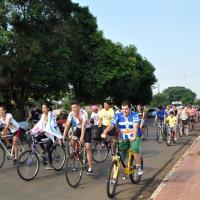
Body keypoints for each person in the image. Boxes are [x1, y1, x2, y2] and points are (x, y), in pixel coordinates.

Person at [101, 100, 143, 175]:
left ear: (130, 109)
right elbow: (111, 125)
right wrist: (104, 133)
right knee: (121, 154)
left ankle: (139, 166)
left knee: (135, 149)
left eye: (126, 109)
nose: (124, 111)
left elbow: (136, 126)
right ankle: (116, 173)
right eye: (123, 109)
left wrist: (134, 136)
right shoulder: (118, 115)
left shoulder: (134, 115)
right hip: (123, 137)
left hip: (135, 135)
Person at [63, 100, 93, 175]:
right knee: (72, 140)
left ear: (79, 107)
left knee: (87, 147)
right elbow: (67, 125)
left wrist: (82, 138)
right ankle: (78, 153)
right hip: (78, 128)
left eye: (75, 107)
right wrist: (63, 136)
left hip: (87, 129)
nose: (73, 109)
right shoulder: (71, 113)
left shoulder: (84, 113)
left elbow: (83, 126)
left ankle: (90, 167)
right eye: (72, 108)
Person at [32, 102, 62, 170]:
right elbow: (39, 124)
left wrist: (44, 130)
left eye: (44, 107)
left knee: (48, 147)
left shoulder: (52, 115)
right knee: (37, 138)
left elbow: (51, 125)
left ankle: (50, 164)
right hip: (46, 132)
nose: (43, 109)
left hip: (53, 133)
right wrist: (32, 131)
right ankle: (44, 151)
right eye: (42, 108)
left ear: (48, 108)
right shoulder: (42, 116)